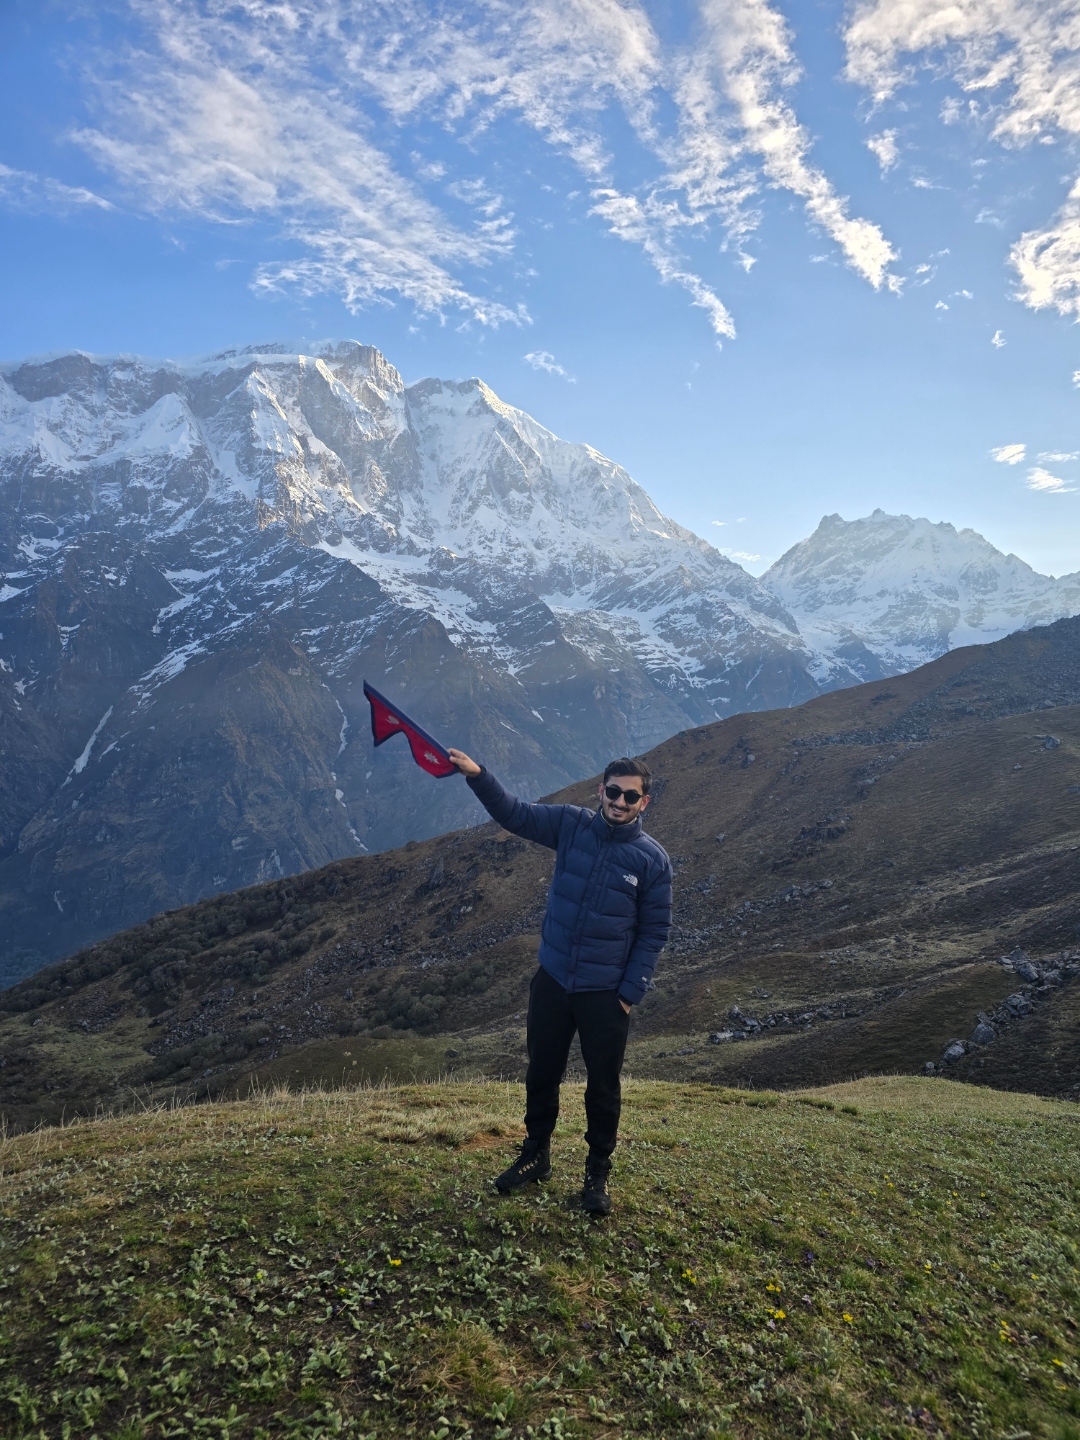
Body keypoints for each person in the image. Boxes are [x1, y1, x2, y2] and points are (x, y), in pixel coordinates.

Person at [447, 747, 673, 1215]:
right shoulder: (571, 824)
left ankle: (597, 1173)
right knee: (541, 1072)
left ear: (644, 803)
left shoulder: (653, 861)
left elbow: (655, 932)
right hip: (552, 980)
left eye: (631, 796)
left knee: (603, 1086)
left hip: (604, 994)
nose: (620, 801)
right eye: (613, 791)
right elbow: (515, 815)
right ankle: (536, 1155)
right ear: (600, 790)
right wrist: (477, 774)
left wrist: (629, 994)